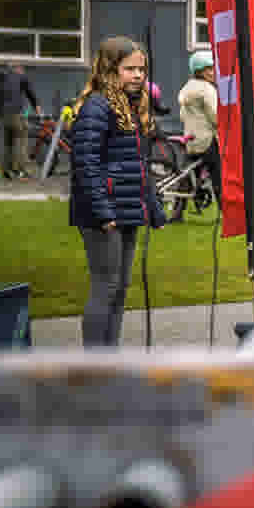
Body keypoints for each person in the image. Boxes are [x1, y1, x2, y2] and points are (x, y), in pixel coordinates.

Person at [67, 36, 166, 346]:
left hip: (127, 207)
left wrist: (153, 206)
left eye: (141, 69)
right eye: (129, 69)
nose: (138, 75)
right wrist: (102, 209)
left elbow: (138, 164)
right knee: (105, 285)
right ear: (110, 69)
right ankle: (95, 364)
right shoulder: (97, 106)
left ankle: (110, 356)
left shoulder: (132, 107)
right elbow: (85, 162)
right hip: (103, 211)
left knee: (121, 287)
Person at [176, 50, 220, 206]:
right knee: (219, 175)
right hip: (207, 140)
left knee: (186, 176)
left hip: (191, 140)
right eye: (210, 69)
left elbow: (182, 116)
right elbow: (215, 117)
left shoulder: (187, 88)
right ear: (200, 71)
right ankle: (225, 210)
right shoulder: (207, 89)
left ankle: (178, 210)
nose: (214, 72)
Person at [0, 62, 41, 181]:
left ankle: (6, 170)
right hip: (16, 114)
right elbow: (30, 92)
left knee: (8, 142)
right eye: (22, 68)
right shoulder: (20, 76)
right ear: (18, 68)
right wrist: (37, 108)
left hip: (3, 114)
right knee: (21, 140)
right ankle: (20, 171)